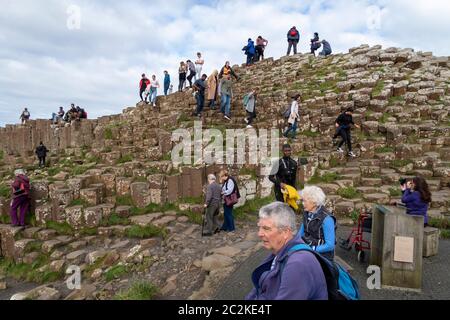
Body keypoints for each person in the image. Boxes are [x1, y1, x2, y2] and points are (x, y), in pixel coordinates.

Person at [246, 202, 328, 300]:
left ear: (285, 232)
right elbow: (259, 288)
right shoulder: (280, 251)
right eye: (259, 227)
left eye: (266, 229)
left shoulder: (298, 264)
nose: (259, 233)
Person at [297, 186, 336, 261]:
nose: (302, 203)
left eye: (304, 201)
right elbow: (300, 235)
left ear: (314, 202)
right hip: (308, 249)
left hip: (322, 256)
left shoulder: (327, 219)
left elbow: (330, 245)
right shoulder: (307, 213)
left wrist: (311, 249)